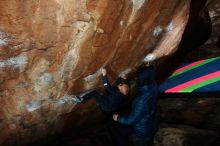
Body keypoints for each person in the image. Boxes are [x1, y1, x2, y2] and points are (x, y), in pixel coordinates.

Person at [112, 66, 159, 146]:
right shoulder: (153, 85)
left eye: (138, 77)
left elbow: (131, 121)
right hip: (152, 123)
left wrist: (118, 118)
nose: (137, 78)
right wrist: (125, 81)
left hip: (142, 133)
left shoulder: (141, 101)